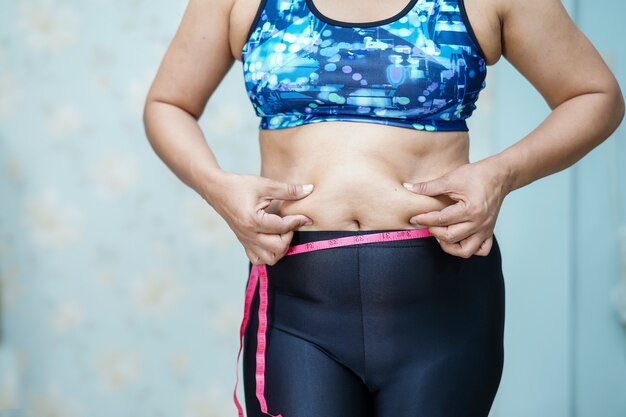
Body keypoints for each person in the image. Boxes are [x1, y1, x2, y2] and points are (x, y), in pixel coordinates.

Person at [142, 0, 624, 416]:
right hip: (296, 307)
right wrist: (218, 188)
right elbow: (168, 102)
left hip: (443, 305)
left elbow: (595, 95)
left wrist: (501, 174)